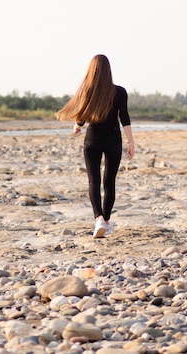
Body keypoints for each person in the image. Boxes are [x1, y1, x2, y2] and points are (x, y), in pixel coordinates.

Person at [56, 54, 135, 238]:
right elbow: (124, 118)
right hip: (113, 138)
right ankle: (106, 221)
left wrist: (78, 125)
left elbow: (82, 114)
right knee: (109, 181)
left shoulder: (88, 90)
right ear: (109, 70)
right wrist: (131, 142)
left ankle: (98, 218)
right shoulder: (120, 92)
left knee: (94, 180)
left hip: (92, 138)